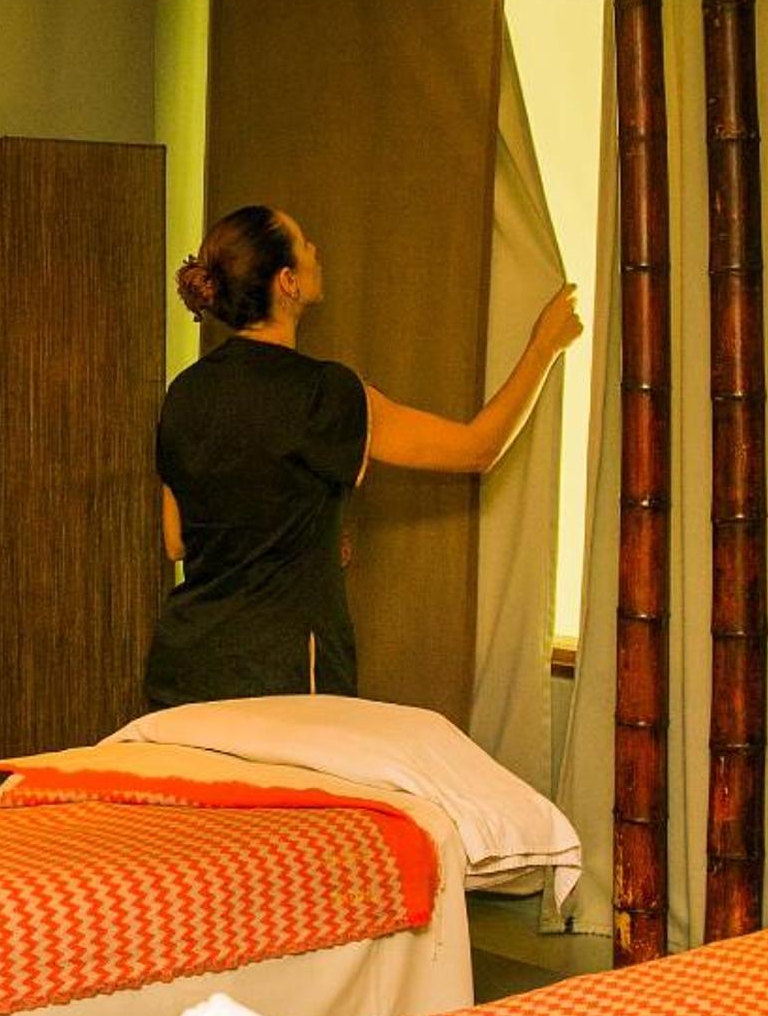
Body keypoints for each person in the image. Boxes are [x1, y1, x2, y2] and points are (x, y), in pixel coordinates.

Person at [144, 203, 583, 708]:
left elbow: (177, 541)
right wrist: (544, 346)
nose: (315, 250)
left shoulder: (184, 392)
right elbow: (479, 448)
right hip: (279, 681)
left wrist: (309, 536)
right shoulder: (324, 393)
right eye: (304, 242)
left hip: (182, 671)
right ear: (288, 282)